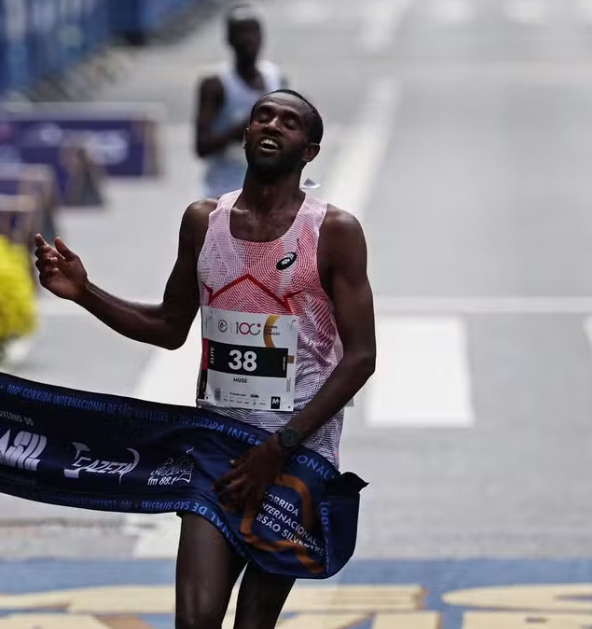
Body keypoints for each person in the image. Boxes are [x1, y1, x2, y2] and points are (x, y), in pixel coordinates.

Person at [34, 89, 377, 629]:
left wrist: (280, 447)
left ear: (309, 151)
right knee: (194, 622)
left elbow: (360, 358)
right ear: (245, 134)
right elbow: (169, 328)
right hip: (217, 446)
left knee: (253, 622)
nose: (272, 124)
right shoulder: (203, 221)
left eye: (288, 122)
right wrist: (85, 293)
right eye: (262, 116)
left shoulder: (333, 232)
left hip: (296, 455)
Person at [195, 3, 288, 199]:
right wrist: (245, 129)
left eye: (253, 32)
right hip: (223, 192)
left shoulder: (276, 78)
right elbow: (201, 146)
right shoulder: (216, 85)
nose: (248, 39)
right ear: (229, 39)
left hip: (267, 195)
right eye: (241, 32)